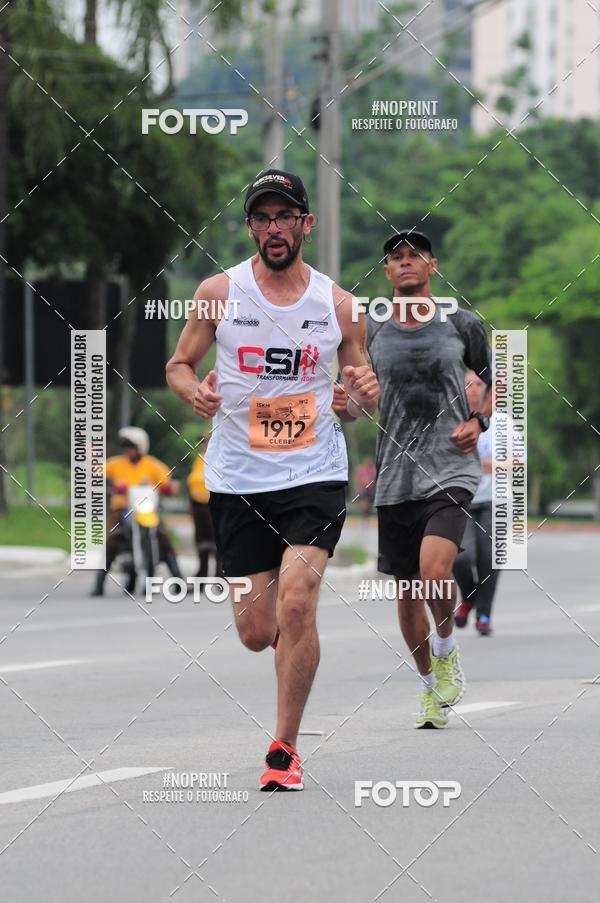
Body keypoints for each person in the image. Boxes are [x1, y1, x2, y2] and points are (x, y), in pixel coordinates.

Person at [166, 168, 379, 790]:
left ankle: (284, 750)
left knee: (296, 600)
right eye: (262, 218)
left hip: (314, 472)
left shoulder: (340, 306)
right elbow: (179, 364)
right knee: (258, 632)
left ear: (306, 224)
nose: (274, 228)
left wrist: (358, 399)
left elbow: (359, 393)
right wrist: (193, 393)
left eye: (285, 216)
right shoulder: (218, 292)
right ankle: (291, 638)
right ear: (250, 228)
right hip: (237, 478)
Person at [367, 230, 491, 729]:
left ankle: (445, 646)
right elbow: (353, 395)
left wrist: (479, 420)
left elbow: (498, 376)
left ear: (432, 266)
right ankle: (429, 687)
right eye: (396, 257)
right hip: (395, 475)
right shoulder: (371, 327)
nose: (405, 262)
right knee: (405, 594)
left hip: (450, 467)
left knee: (434, 573)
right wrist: (347, 401)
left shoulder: (461, 322)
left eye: (415, 255)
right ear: (386, 271)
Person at [454, 371, 523, 635]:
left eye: (479, 384)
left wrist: (491, 465)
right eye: (468, 384)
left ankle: (484, 614)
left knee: (489, 558)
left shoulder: (502, 423)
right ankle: (469, 596)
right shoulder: (454, 420)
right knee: (461, 557)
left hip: (496, 499)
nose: (473, 389)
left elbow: (519, 461)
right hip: (462, 499)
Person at [90, 427, 183, 596]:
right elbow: (96, 472)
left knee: (163, 537)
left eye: (131, 447)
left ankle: (178, 579)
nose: (128, 451)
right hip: (123, 508)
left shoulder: (152, 464)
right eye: (125, 447)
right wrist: (93, 461)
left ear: (140, 447)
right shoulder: (116, 463)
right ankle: (99, 583)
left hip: (148, 509)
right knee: (113, 539)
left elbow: (168, 483)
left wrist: (170, 488)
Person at [187, 437, 222, 581]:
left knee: (216, 539)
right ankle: (202, 573)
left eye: (206, 442)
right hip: (198, 506)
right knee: (202, 540)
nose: (204, 445)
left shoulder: (218, 457)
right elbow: (192, 482)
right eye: (202, 442)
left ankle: (219, 574)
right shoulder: (199, 459)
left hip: (213, 506)